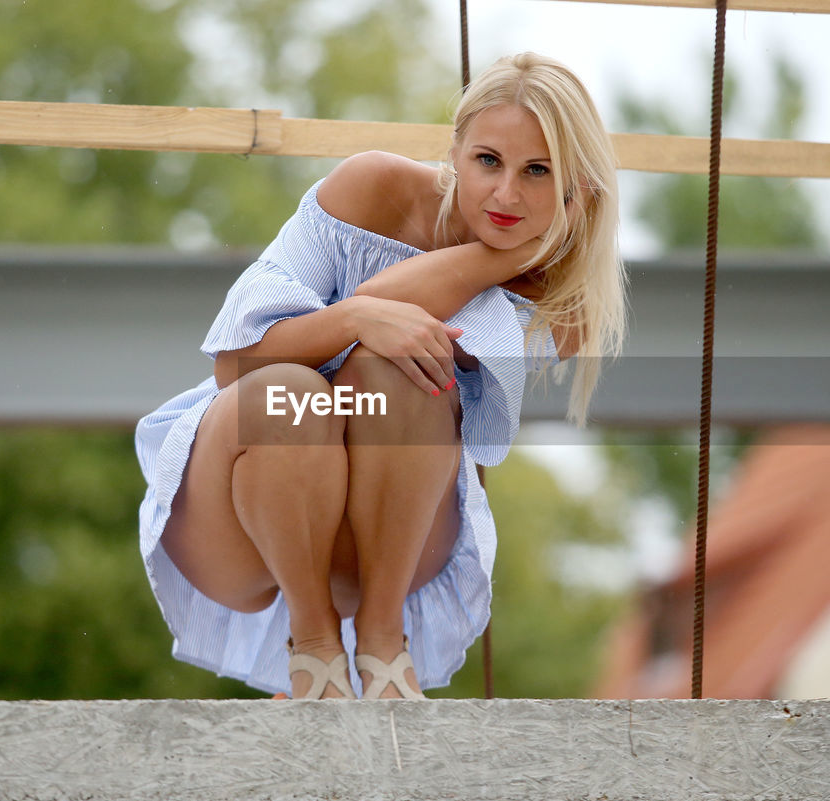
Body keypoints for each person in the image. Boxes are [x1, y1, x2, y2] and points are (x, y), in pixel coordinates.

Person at [134, 52, 626, 699]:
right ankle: (312, 645)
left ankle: (380, 640)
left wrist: (495, 258)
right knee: (291, 396)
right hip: (242, 508)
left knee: (406, 371)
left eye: (538, 171)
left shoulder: (568, 306)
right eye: (488, 161)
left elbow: (415, 340)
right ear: (453, 151)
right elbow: (233, 364)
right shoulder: (370, 190)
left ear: (575, 188)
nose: (506, 194)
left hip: (371, 551)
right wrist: (358, 316)